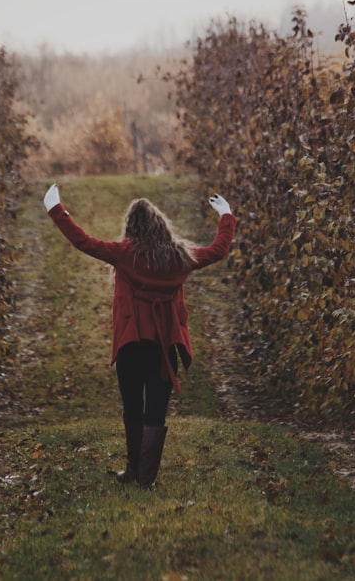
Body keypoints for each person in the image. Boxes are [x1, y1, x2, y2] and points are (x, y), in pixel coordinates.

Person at [43, 184, 236, 488]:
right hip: (163, 348)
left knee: (132, 406)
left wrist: (57, 209)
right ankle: (145, 479)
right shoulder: (179, 256)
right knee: (155, 412)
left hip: (131, 345)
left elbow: (83, 242)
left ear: (130, 228)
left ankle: (133, 470)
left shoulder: (124, 254)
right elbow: (218, 250)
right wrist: (226, 216)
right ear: (161, 226)